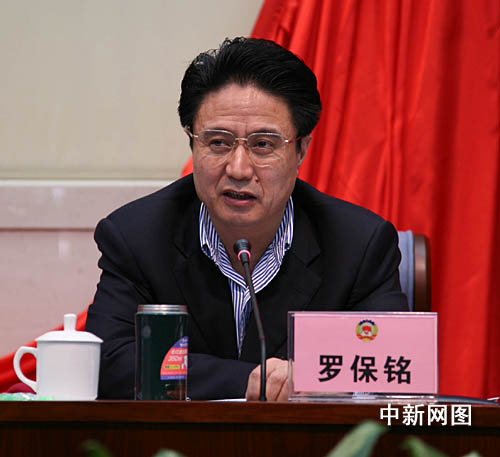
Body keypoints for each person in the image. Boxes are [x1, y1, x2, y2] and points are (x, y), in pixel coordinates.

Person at [85, 37, 408, 402]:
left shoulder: (358, 244)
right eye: (218, 143)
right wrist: (252, 381)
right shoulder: (137, 237)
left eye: (263, 145)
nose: (238, 169)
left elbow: (393, 372)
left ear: (301, 149)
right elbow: (108, 362)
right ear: (192, 143)